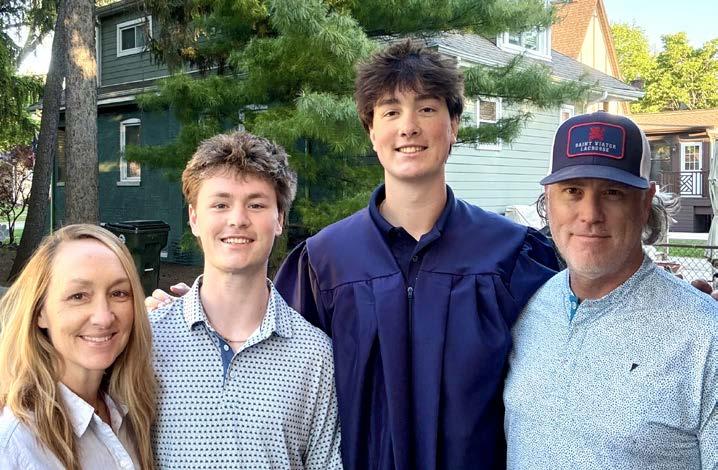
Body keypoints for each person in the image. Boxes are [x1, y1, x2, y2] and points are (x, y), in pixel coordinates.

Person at [148, 40, 558, 469]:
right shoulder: (325, 262)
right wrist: (193, 314)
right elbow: (268, 345)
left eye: (427, 109)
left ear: (454, 125)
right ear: (371, 131)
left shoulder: (510, 254)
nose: (409, 127)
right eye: (391, 112)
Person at [504, 111, 718, 469]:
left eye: (613, 192)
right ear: (548, 199)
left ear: (645, 202)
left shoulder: (705, 337)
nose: (590, 214)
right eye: (573, 191)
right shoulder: (528, 309)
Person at [149, 130, 342, 469]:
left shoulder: (315, 355)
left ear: (279, 219)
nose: (237, 219)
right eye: (220, 205)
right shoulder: (148, 340)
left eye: (256, 205)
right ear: (194, 218)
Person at [0, 224, 156, 470]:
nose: (103, 318)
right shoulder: (15, 443)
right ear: (40, 312)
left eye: (119, 293)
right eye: (78, 296)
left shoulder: (133, 412)